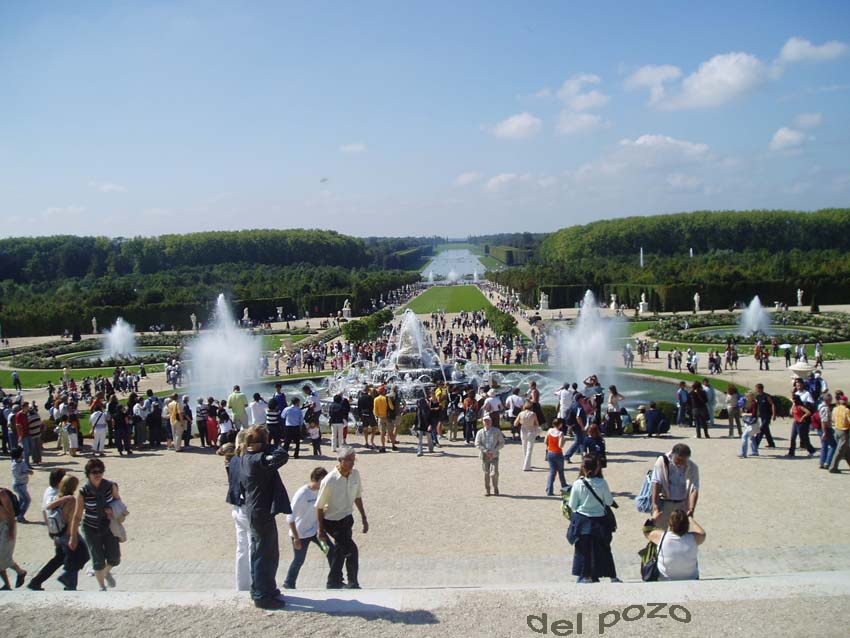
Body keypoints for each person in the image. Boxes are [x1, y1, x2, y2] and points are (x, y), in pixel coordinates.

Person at [239, 425, 291, 609]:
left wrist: (263, 445)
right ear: (262, 442)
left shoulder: (246, 457)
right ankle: (262, 594)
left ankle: (263, 588)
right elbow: (282, 455)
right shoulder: (257, 460)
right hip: (261, 511)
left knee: (260, 551)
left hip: (255, 509)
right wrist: (268, 446)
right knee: (265, 553)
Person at [316, 447, 368, 589]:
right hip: (332, 521)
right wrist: (321, 530)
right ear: (340, 460)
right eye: (349, 460)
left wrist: (364, 517)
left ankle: (333, 581)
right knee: (351, 550)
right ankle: (353, 583)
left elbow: (357, 496)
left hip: (347, 518)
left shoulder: (355, 475)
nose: (352, 463)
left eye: (353, 460)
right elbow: (319, 506)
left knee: (340, 551)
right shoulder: (330, 480)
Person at [68, 459, 122, 592]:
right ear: (88, 474)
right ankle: (101, 587)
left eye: (100, 471)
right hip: (90, 527)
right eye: (94, 472)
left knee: (115, 558)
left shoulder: (111, 486)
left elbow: (118, 502)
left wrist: (113, 510)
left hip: (108, 525)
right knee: (98, 560)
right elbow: (77, 515)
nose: (98, 474)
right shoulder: (83, 492)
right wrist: (73, 536)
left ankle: (105, 572)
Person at [567, 454, 620, 583]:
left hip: (583, 520)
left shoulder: (578, 484)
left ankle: (586, 577)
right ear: (597, 468)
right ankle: (612, 576)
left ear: (583, 468)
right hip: (600, 520)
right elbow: (608, 501)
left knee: (583, 551)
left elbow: (572, 505)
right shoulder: (602, 483)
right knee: (605, 549)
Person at [284, 467, 334, 589]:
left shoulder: (321, 491)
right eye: (323, 480)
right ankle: (289, 584)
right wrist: (296, 538)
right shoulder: (302, 494)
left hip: (316, 531)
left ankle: (334, 581)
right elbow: (290, 517)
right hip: (300, 534)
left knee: (331, 552)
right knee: (299, 560)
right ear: (317, 480)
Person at [26, 468, 71, 590]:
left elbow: (44, 512)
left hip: (55, 530)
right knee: (73, 556)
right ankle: (67, 581)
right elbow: (49, 509)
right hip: (60, 531)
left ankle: (37, 581)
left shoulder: (49, 491)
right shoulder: (55, 494)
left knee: (61, 558)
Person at [642, 510, 706, 580]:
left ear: (670, 523)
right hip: (691, 577)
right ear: (687, 524)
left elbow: (646, 530)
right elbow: (702, 533)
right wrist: (690, 518)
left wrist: (654, 518)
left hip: (665, 578)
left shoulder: (662, 536)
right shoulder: (694, 538)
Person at [52, 475, 91, 590]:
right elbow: (72, 519)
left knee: (73, 559)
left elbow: (47, 508)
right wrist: (73, 537)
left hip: (59, 533)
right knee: (81, 557)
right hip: (69, 534)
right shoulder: (72, 500)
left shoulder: (58, 498)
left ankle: (69, 582)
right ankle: (67, 579)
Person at [224, 431, 251, 591]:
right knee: (253, 546)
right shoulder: (245, 461)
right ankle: (255, 583)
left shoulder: (233, 461)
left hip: (237, 506)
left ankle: (241, 585)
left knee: (241, 547)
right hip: (247, 507)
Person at [651, 444, 699, 530]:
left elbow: (694, 489)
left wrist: (691, 508)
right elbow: (657, 482)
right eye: (678, 460)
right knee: (659, 531)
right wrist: (654, 503)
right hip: (664, 503)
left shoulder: (693, 467)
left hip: (682, 504)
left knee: (680, 532)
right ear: (672, 454)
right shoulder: (662, 461)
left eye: (684, 461)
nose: (681, 463)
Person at [0, 486, 27, 589]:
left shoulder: (2, 494)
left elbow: (11, 513)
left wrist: (11, 530)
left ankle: (20, 572)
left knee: (2, 556)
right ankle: (7, 584)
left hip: (6, 526)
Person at [474, 415, 506, 496]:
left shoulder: (497, 431)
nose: (487, 422)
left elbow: (501, 443)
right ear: (483, 422)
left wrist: (494, 450)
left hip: (494, 455)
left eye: (488, 420)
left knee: (494, 473)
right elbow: (477, 443)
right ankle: (487, 490)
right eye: (485, 421)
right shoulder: (480, 432)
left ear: (491, 422)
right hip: (484, 456)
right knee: (486, 473)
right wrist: (485, 451)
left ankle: (495, 487)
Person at [545, 418, 567, 496]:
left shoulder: (549, 430)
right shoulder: (560, 433)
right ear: (560, 424)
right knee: (561, 471)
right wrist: (564, 441)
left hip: (550, 453)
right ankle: (564, 487)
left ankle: (549, 489)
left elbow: (545, 441)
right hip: (558, 453)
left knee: (552, 472)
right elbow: (560, 445)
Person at [514, 401, 540, 471]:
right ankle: (527, 465)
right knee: (529, 449)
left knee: (524, 447)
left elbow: (515, 424)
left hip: (523, 430)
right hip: (531, 430)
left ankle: (527, 463)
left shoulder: (521, 413)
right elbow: (537, 424)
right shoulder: (533, 414)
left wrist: (521, 422)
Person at [10, 446, 33, 523]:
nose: (23, 453)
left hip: (23, 485)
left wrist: (27, 470)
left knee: (22, 500)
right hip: (19, 485)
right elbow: (18, 475)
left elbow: (24, 469)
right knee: (27, 500)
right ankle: (20, 516)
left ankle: (15, 513)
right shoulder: (15, 465)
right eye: (21, 453)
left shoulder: (22, 462)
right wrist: (27, 472)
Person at [829, 392, 850, 473]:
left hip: (836, 430)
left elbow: (833, 419)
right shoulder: (846, 410)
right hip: (844, 432)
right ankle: (833, 467)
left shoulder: (835, 409)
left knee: (847, 450)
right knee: (840, 451)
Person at [753, 383, 777, 448]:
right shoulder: (758, 397)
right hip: (762, 416)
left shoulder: (766, 396)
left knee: (761, 429)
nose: (756, 390)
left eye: (757, 388)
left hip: (767, 416)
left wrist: (774, 414)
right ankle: (771, 444)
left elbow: (772, 404)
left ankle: (756, 443)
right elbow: (757, 406)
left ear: (760, 389)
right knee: (766, 430)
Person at [818, 393, 836, 470]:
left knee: (824, 445)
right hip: (826, 428)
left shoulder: (820, 406)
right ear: (827, 400)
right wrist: (825, 432)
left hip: (823, 428)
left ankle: (822, 462)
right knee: (833, 445)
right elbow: (824, 421)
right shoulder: (825, 408)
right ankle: (827, 462)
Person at [372, 386, 393, 454]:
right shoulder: (387, 398)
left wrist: (378, 415)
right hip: (387, 417)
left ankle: (383, 446)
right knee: (390, 432)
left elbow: (375, 410)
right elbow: (392, 407)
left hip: (380, 418)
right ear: (383, 391)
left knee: (382, 433)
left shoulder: (376, 399)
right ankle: (393, 445)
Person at [739, 391, 759, 458]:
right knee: (751, 437)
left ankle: (743, 453)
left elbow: (754, 414)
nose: (746, 398)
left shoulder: (754, 403)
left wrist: (745, 414)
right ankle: (755, 451)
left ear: (751, 397)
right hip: (750, 422)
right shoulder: (752, 403)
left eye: (747, 396)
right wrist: (744, 409)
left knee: (744, 436)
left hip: (752, 423)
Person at [414, 391, 433, 457]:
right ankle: (420, 451)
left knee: (429, 438)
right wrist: (415, 425)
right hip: (420, 426)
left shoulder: (427, 409)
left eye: (419, 403)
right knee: (420, 439)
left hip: (427, 426)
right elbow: (417, 417)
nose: (418, 404)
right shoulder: (418, 409)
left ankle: (431, 448)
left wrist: (430, 425)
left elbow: (430, 418)